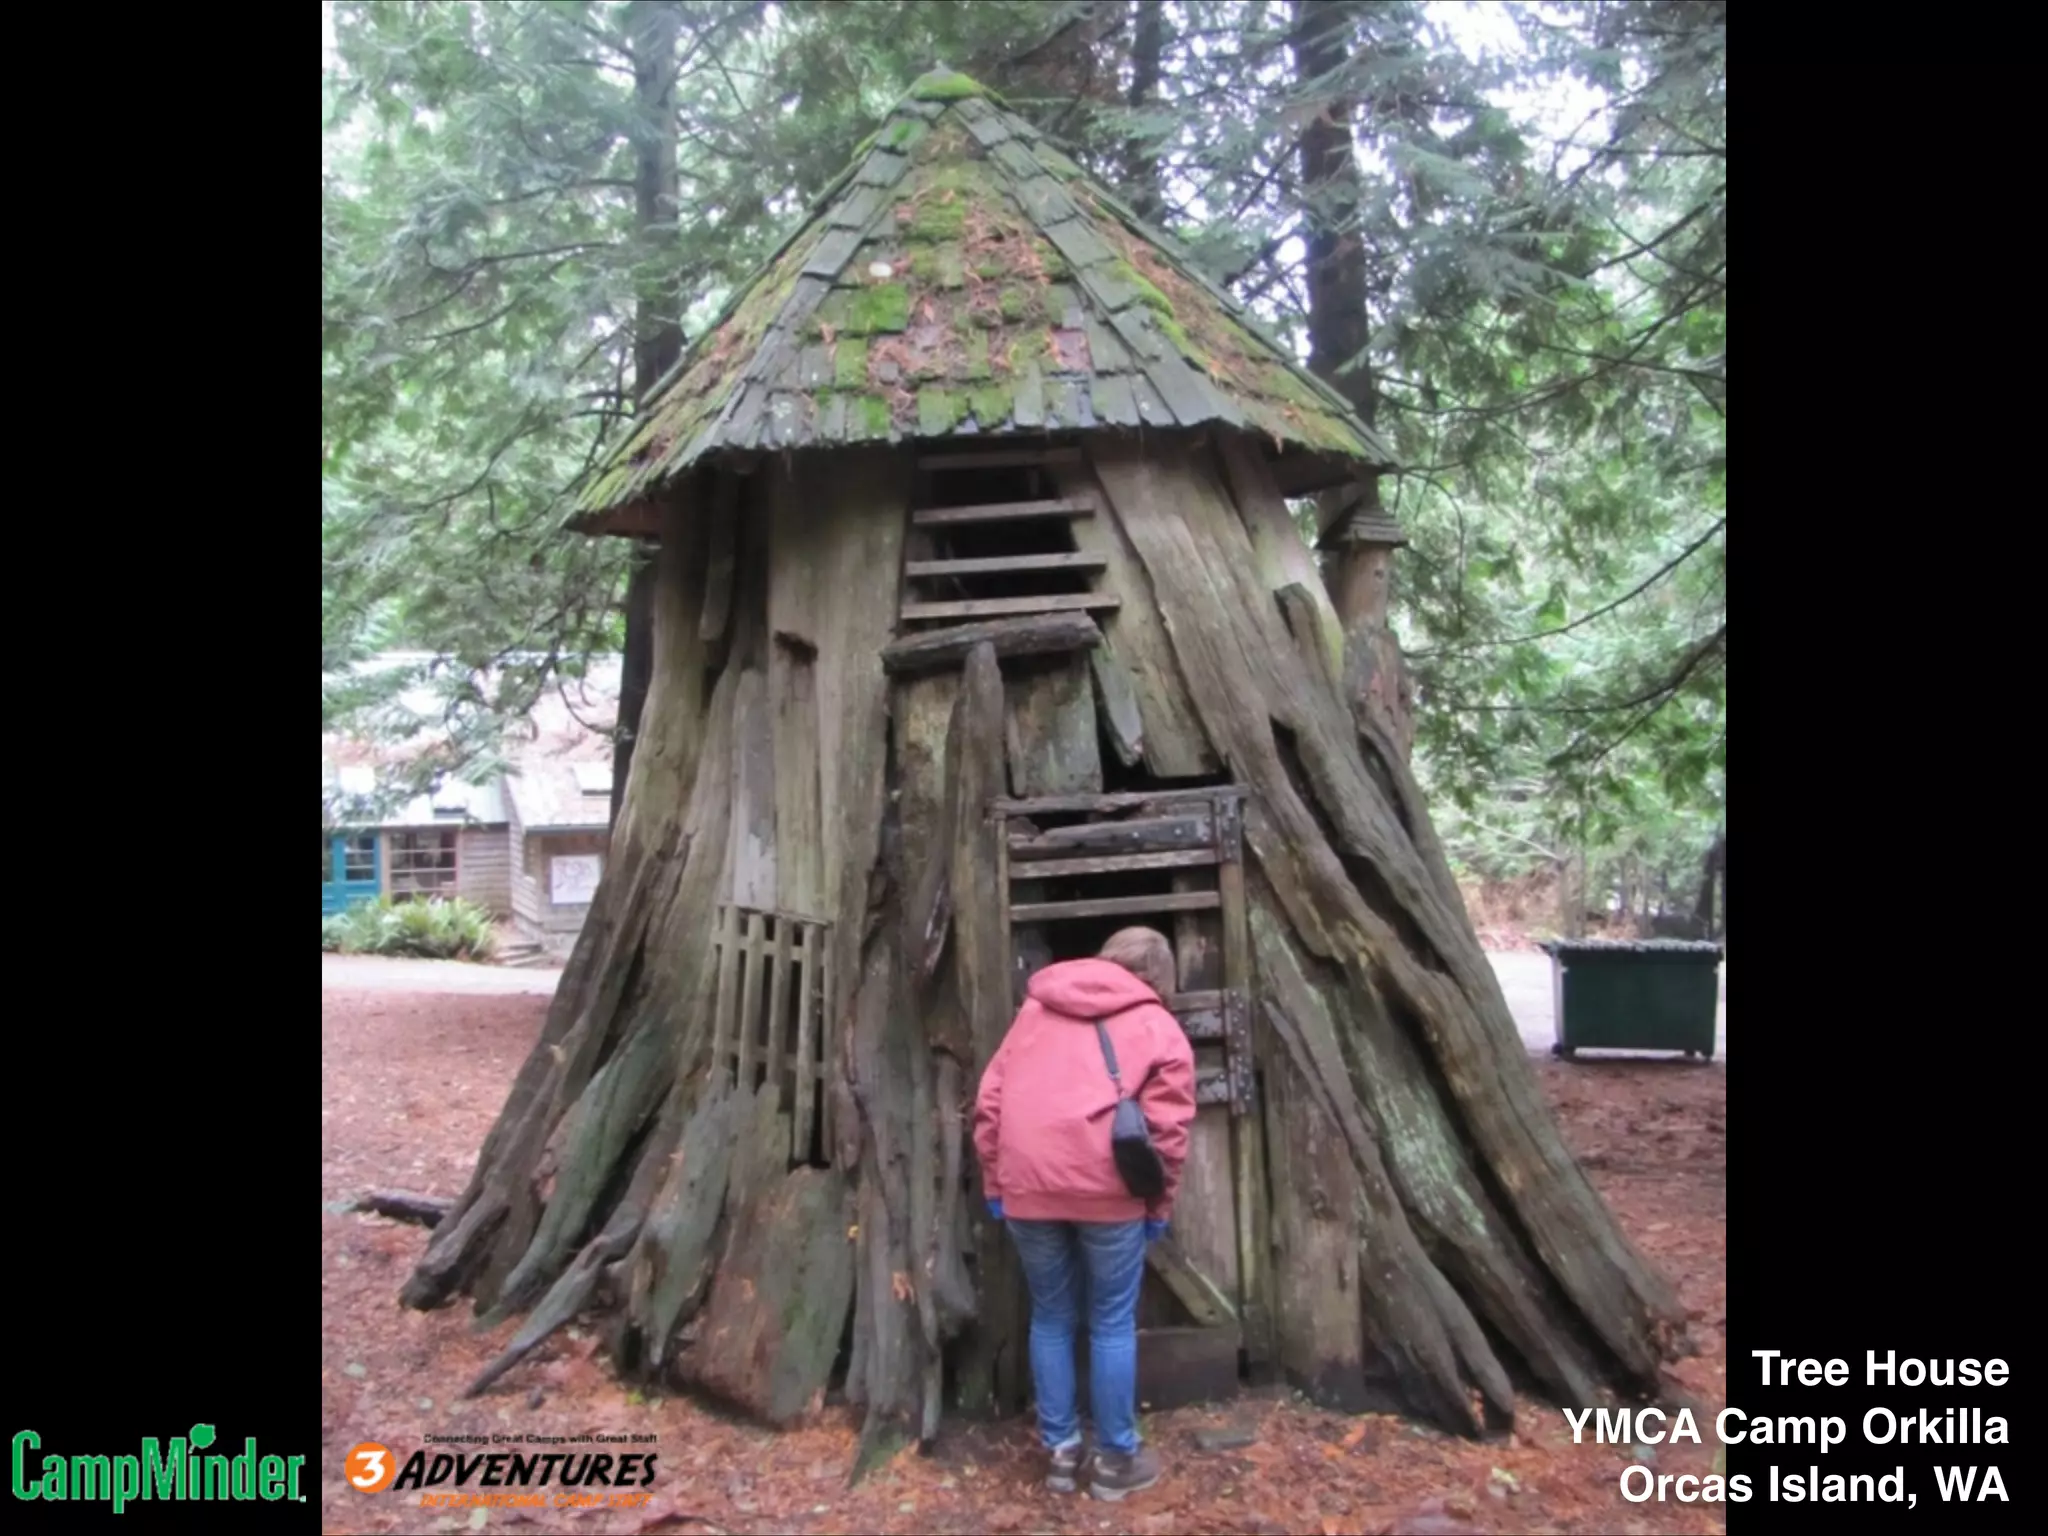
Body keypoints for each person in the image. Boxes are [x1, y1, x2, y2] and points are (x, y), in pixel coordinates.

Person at [971, 927, 1196, 1501]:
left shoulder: (1034, 1012)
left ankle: (1062, 1452)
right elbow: (1167, 1135)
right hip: (1110, 1195)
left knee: (1050, 1316)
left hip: (1029, 1189)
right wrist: (1157, 1205)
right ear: (1161, 977)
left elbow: (990, 1101)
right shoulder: (1159, 1027)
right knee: (1111, 1322)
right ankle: (1117, 1459)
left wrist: (999, 1184)